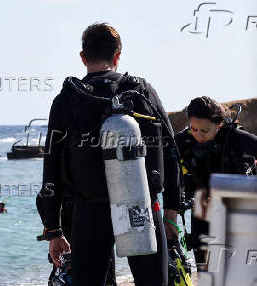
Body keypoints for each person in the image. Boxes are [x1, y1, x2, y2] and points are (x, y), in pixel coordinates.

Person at [36, 23, 182, 286]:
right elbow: (171, 150)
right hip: (142, 205)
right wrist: (172, 210)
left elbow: (52, 167)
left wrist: (53, 229)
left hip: (90, 211)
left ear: (83, 57)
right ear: (118, 56)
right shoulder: (142, 92)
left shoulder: (68, 99)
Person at [174, 96, 257, 271]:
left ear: (218, 124)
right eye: (194, 129)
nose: (198, 135)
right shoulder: (184, 140)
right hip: (202, 212)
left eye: (205, 130)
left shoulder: (236, 138)